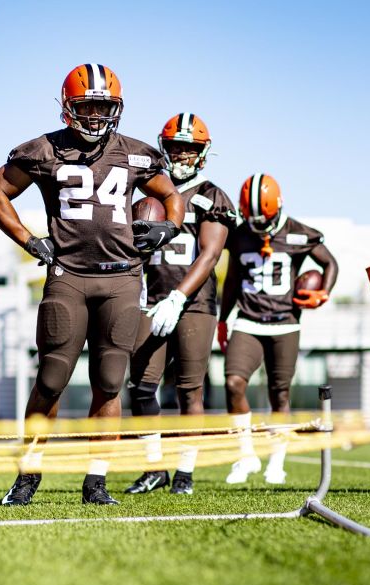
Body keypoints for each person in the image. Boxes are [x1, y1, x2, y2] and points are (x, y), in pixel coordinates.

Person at [0, 63, 185, 505]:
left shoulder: (137, 152)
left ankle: (96, 480)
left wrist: (169, 227)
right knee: (52, 378)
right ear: (68, 107)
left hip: (122, 280)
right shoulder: (42, 150)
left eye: (103, 107)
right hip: (68, 277)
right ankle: (28, 473)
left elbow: (172, 196)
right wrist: (29, 240)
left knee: (109, 382)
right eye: (87, 106)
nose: (95, 116)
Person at [124, 113, 236, 496]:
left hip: (193, 303)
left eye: (189, 147)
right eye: (174, 146)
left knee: (190, 389)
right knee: (140, 387)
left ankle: (186, 471)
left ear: (202, 152)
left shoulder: (211, 195)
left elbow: (210, 255)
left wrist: (178, 296)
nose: (181, 154)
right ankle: (154, 468)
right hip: (149, 298)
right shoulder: (148, 196)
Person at [217, 173, 338, 484]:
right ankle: (246, 456)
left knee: (279, 393)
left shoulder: (299, 232)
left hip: (285, 323)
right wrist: (223, 318)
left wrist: (323, 292)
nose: (258, 224)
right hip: (247, 319)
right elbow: (232, 279)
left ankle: (277, 462)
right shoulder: (241, 234)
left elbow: (330, 264)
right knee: (233, 382)